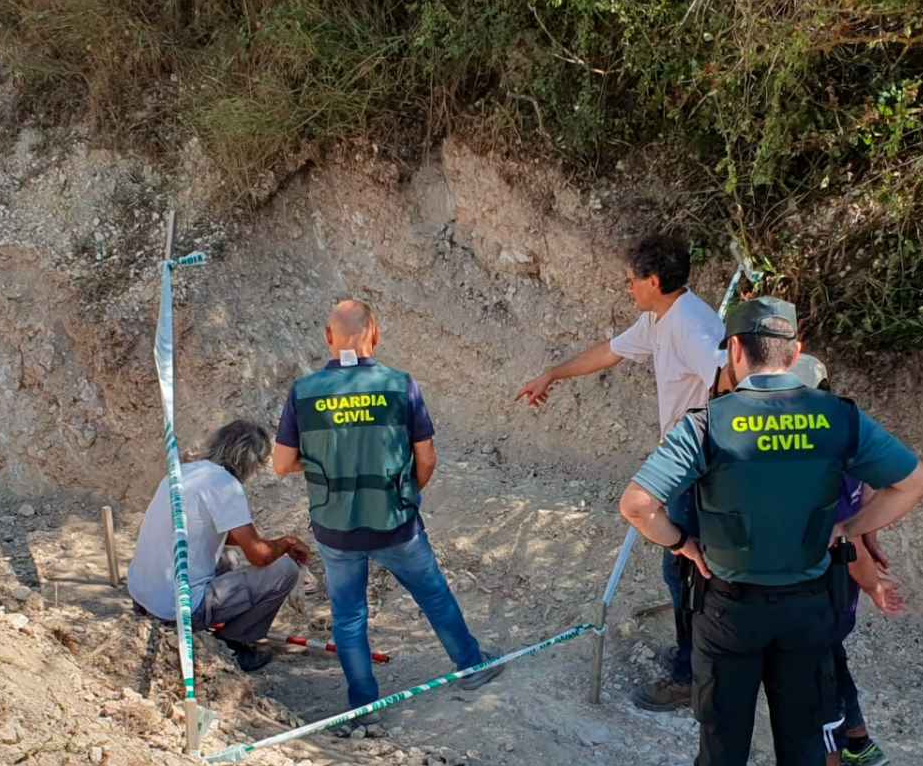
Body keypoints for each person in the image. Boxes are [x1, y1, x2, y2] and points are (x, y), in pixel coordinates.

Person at [618, 298, 923, 766]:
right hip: (808, 609)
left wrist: (684, 544)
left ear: (734, 352)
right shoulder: (839, 419)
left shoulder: (706, 422)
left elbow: (636, 506)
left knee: (722, 744)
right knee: (801, 741)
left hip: (728, 610)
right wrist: (847, 530)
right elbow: (916, 484)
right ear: (794, 351)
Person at [516, 233, 724, 712]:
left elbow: (725, 378)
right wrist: (554, 373)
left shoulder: (691, 326)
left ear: (654, 280)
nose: (627, 288)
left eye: (631, 281)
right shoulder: (660, 318)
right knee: (680, 566)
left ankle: (694, 676)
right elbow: (610, 350)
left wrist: (704, 446)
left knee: (688, 570)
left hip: (697, 465)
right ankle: (698, 662)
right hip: (686, 460)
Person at [273, 299, 500, 722]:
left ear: (328, 337)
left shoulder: (303, 393)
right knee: (433, 595)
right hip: (395, 522)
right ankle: (471, 666)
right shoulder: (400, 385)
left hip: (335, 526)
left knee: (348, 616)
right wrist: (406, 493)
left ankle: (362, 705)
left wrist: (330, 463)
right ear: (374, 334)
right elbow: (427, 458)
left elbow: (283, 464)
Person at [755, 358, 904, 766]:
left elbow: (842, 539)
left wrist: (872, 580)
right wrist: (870, 531)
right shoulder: (842, 436)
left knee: (814, 697)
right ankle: (859, 744)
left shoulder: (814, 460)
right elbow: (885, 488)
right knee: (832, 665)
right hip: (837, 593)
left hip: (822, 588)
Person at [128, 420, 310, 674]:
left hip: (142, 594)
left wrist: (268, 544)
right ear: (250, 462)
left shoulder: (184, 472)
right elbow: (259, 556)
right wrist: (286, 544)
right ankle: (237, 643)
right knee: (285, 570)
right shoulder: (225, 486)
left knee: (229, 557)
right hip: (176, 609)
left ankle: (224, 624)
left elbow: (213, 534)